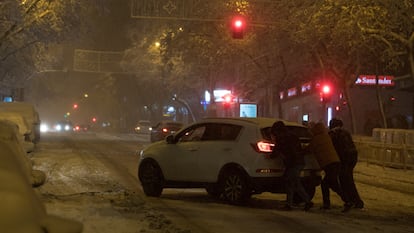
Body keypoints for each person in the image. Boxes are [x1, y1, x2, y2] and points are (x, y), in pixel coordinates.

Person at [308, 122, 353, 212]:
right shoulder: (326, 136)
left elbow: (308, 150)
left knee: (328, 184)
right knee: (331, 184)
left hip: (329, 165)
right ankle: (341, 202)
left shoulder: (316, 139)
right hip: (335, 162)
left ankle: (345, 201)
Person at [270, 121, 313, 211]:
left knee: (294, 182)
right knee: (291, 183)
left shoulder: (282, 138)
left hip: (293, 163)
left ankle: (307, 201)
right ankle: (290, 204)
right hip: (298, 162)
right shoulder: (292, 136)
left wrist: (272, 154)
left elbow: (276, 152)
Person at [329, 118, 364, 209]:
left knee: (345, 180)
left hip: (344, 158)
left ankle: (353, 201)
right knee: (349, 180)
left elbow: (334, 147)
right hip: (352, 157)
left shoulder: (334, 134)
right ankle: (354, 200)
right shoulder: (346, 132)